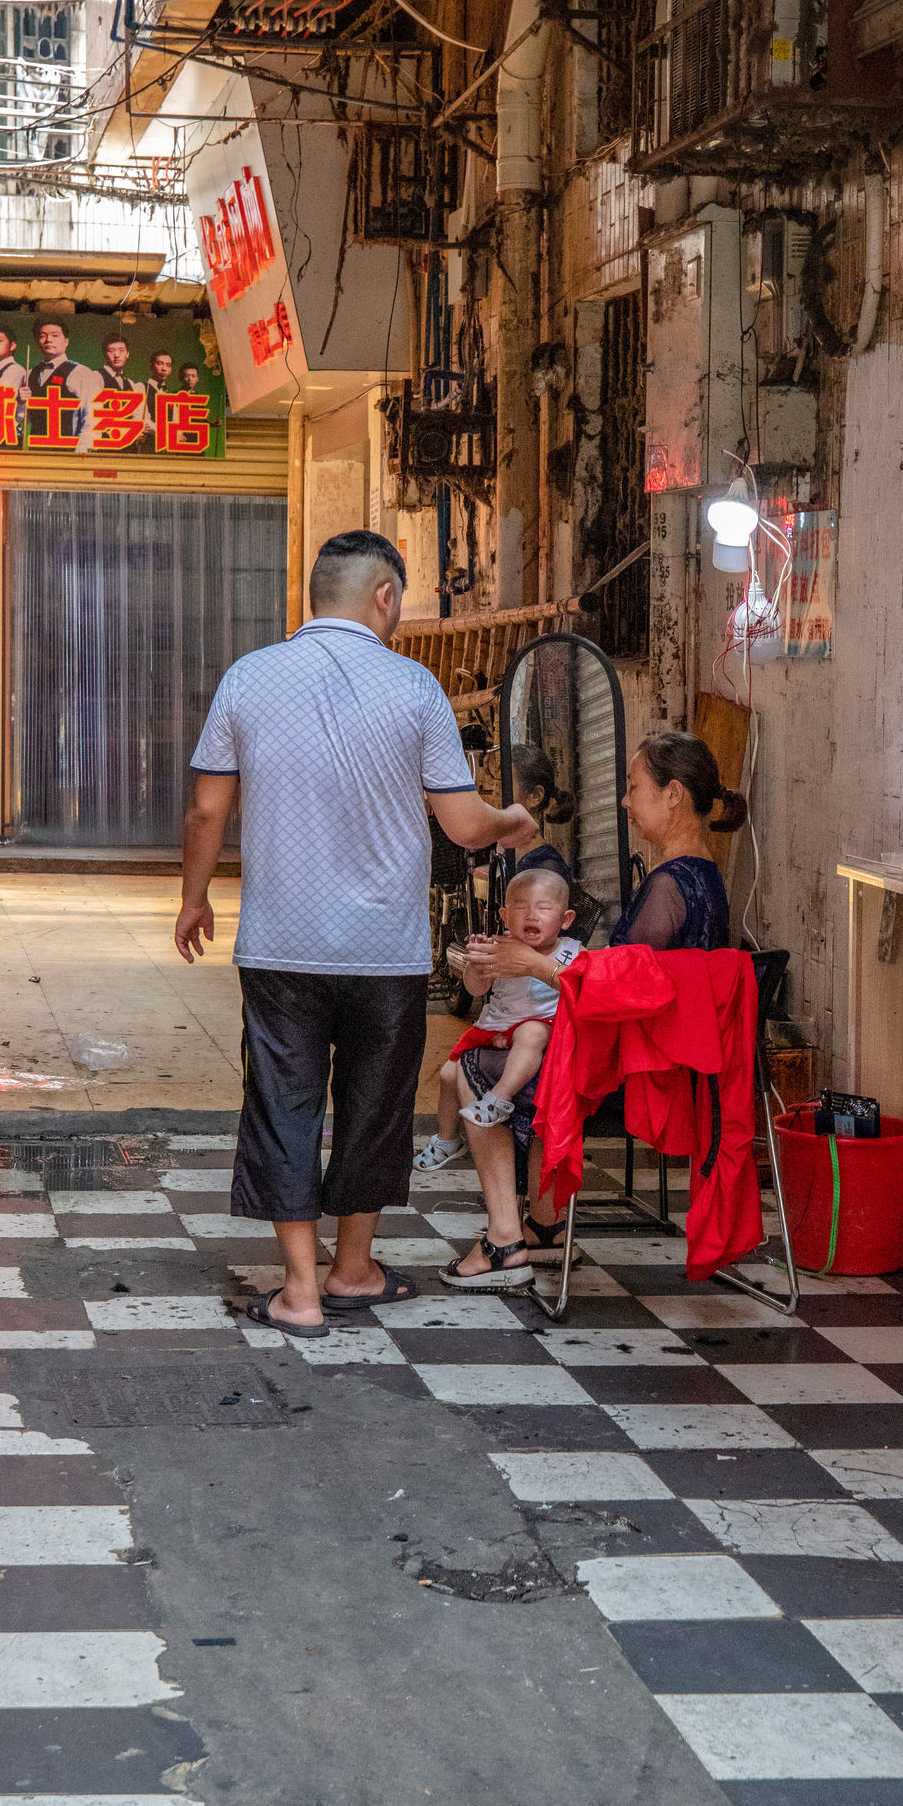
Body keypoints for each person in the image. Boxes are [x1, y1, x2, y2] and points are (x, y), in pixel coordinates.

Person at [174, 529, 538, 1339]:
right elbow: (468, 825)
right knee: (374, 1108)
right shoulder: (415, 688)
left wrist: (194, 898)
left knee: (282, 1103)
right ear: (383, 595)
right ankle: (354, 1270)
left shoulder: (248, 677)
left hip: (280, 945)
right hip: (385, 950)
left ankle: (299, 1291)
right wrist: (517, 818)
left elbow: (206, 809)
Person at [442, 731, 747, 1287]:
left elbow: (622, 989)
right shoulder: (706, 878)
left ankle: (506, 1239)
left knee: (474, 1068)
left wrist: (533, 966)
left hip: (643, 1076)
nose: (625, 801)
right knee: (532, 1053)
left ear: (673, 794)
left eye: (634, 788)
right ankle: (545, 1228)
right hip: (679, 1066)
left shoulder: (669, 887)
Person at [416, 866, 579, 1189]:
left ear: (566, 918)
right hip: (496, 1027)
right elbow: (475, 990)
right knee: (449, 1073)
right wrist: (478, 967)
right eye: (520, 907)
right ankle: (448, 1139)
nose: (531, 915)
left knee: (531, 1034)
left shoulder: (571, 952)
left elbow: (584, 987)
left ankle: (499, 1097)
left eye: (544, 908)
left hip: (544, 1026)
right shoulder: (497, 947)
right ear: (504, 915)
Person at [24, 318, 100, 448]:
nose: (49, 340)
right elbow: (25, 419)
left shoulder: (81, 373)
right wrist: (20, 403)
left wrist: (80, 453)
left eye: (55, 335)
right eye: (43, 336)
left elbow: (92, 419)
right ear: (38, 342)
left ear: (66, 342)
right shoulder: (30, 374)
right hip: (36, 452)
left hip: (67, 453)